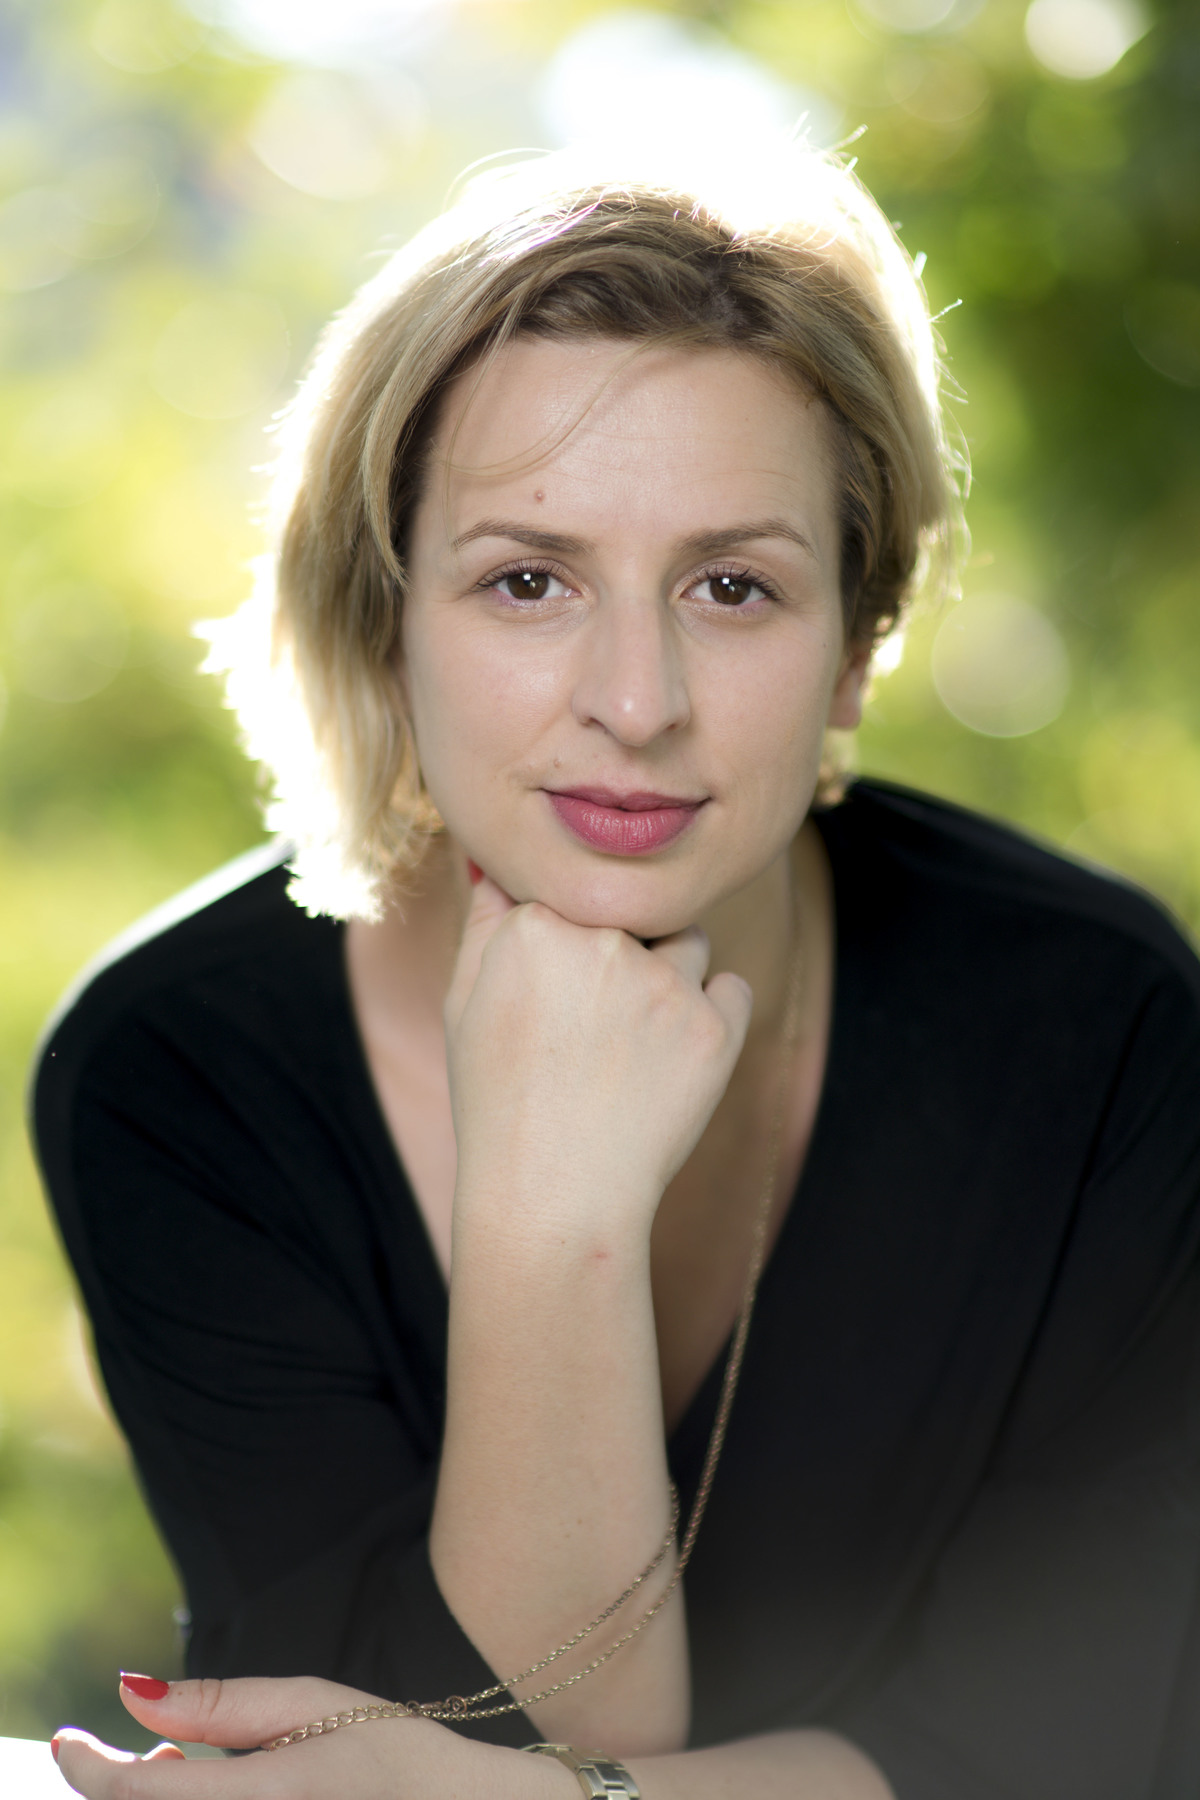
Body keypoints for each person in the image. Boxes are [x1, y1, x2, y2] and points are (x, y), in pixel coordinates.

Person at [33, 146, 1200, 1800]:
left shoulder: (1098, 1023)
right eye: (528, 580)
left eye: (734, 587)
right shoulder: (180, 1069)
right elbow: (393, 1745)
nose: (636, 701)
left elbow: (1058, 1755)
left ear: (857, 645)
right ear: (386, 622)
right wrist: (550, 1221)